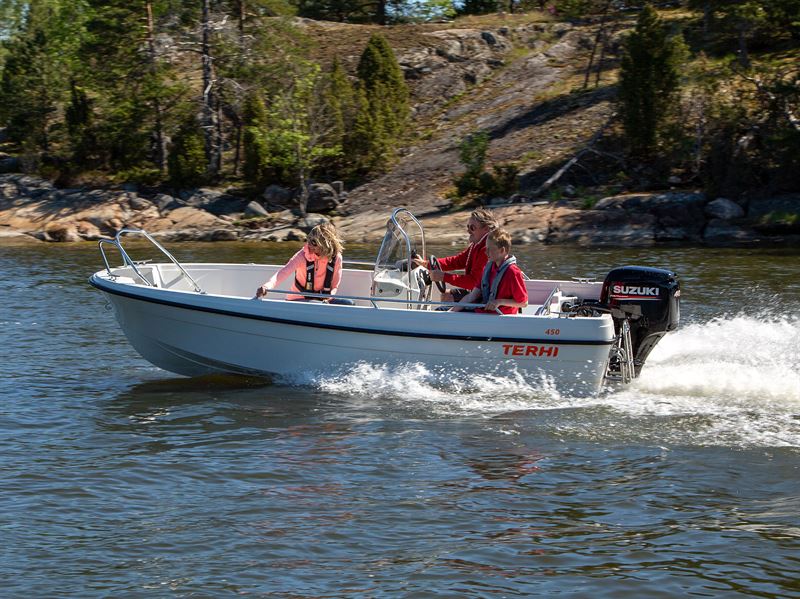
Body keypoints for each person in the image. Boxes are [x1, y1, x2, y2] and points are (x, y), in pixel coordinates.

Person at [412, 207, 498, 303]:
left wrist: (443, 277)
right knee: (446, 296)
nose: (468, 231)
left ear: (485, 229)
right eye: (468, 227)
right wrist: (426, 264)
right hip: (479, 292)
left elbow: (473, 282)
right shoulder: (477, 245)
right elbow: (457, 261)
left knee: (447, 299)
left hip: (484, 298)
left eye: (472, 228)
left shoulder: (487, 250)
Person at [255, 223, 354, 305]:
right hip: (297, 301)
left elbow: (334, 286)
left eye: (313, 242)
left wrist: (327, 299)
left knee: (350, 304)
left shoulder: (337, 258)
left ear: (324, 244)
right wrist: (266, 286)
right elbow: (283, 273)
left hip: (323, 302)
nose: (309, 244)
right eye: (309, 239)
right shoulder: (302, 256)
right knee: (316, 305)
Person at [451, 228, 528, 315]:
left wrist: (499, 302)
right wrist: (451, 312)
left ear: (502, 250)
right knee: (442, 309)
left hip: (500, 317)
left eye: (490, 249)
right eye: (486, 248)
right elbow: (472, 296)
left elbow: (523, 303)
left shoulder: (513, 272)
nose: (486, 252)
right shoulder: (487, 269)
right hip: (484, 313)